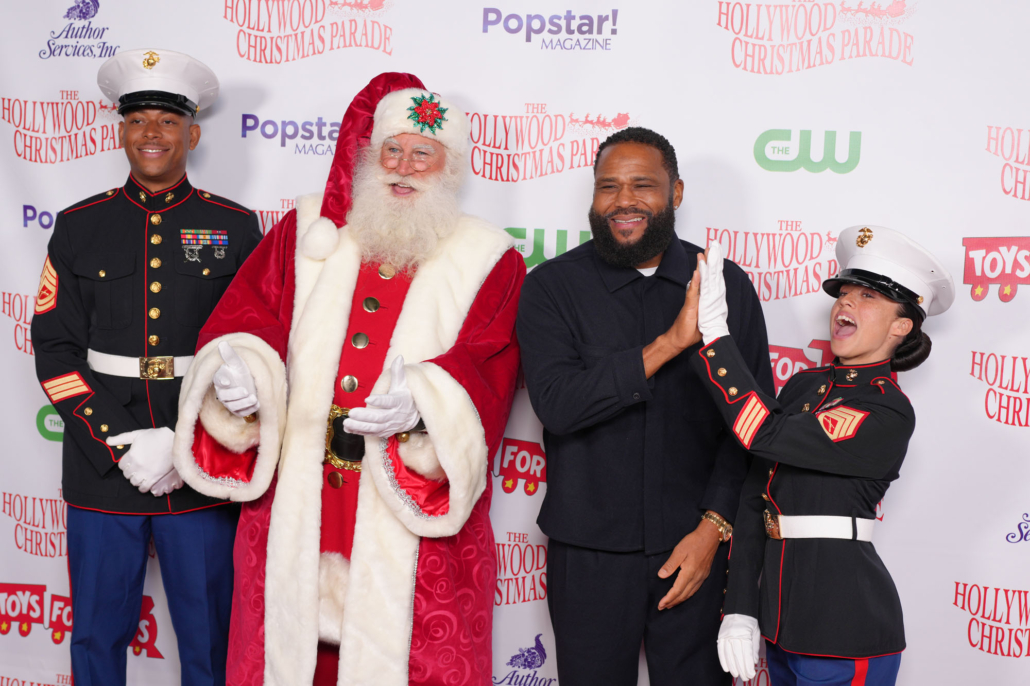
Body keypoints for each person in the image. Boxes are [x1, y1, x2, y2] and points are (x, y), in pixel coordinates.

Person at [171, 72, 525, 686]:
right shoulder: (309, 230)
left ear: (450, 167)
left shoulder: (489, 257)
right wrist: (244, 370)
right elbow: (250, 314)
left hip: (402, 487)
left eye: (422, 153)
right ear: (369, 155)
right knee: (288, 645)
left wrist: (427, 401)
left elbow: (490, 362)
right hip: (302, 483)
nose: (404, 167)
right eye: (392, 150)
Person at [30, 48, 262, 685]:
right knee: (96, 637)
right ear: (121, 132)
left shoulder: (234, 226)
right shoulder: (78, 227)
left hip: (202, 466)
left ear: (193, 134)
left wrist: (186, 441)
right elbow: (54, 349)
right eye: (136, 120)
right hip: (102, 466)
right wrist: (117, 441)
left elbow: (254, 349)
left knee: (211, 638)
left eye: (166, 120)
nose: (150, 133)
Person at [516, 127, 773, 685]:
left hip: (694, 548)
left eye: (643, 185)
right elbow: (558, 405)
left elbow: (753, 427)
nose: (623, 200)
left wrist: (713, 529)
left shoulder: (725, 285)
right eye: (608, 186)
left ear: (675, 192)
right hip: (586, 555)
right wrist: (669, 345)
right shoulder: (551, 287)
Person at [690, 226, 954, 686]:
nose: (845, 303)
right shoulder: (802, 387)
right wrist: (740, 610)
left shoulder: (887, 410)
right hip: (779, 625)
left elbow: (762, 433)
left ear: (902, 326)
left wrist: (715, 335)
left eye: (868, 296)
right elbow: (755, 501)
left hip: (844, 629)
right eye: (844, 293)